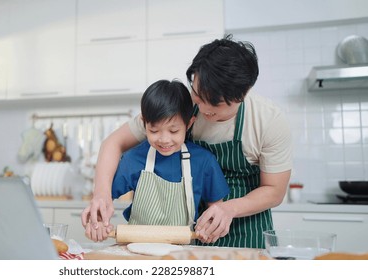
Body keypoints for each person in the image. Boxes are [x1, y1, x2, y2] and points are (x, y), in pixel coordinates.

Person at [81, 34, 293, 249]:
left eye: (214, 104)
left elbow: (274, 191)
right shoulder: (181, 105)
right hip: (189, 229)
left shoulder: (269, 121)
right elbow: (113, 143)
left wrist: (229, 208)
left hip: (246, 223)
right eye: (198, 95)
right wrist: (101, 195)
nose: (201, 109)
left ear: (243, 94)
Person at [83, 79, 230, 242]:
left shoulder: (203, 162)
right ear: (144, 123)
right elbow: (104, 200)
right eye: (154, 130)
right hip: (134, 251)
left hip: (181, 256)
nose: (164, 139)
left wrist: (210, 228)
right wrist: (98, 222)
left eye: (174, 131)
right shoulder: (133, 159)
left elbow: (215, 210)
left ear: (189, 124)